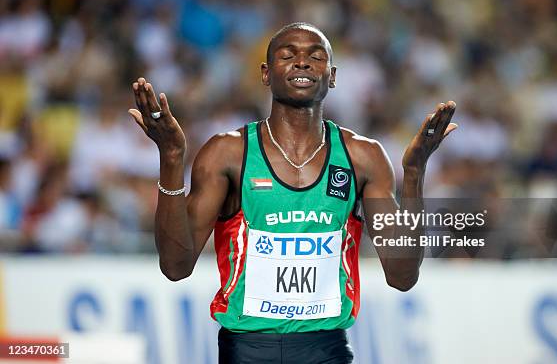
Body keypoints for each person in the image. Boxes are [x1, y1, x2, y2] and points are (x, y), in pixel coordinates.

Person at [129, 22, 457, 363]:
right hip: (246, 350)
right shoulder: (227, 153)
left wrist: (415, 174)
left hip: (326, 349)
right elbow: (175, 266)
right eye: (288, 55)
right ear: (266, 73)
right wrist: (170, 158)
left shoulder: (363, 157)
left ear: (331, 76)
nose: (302, 62)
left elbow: (402, 277)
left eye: (316, 57)